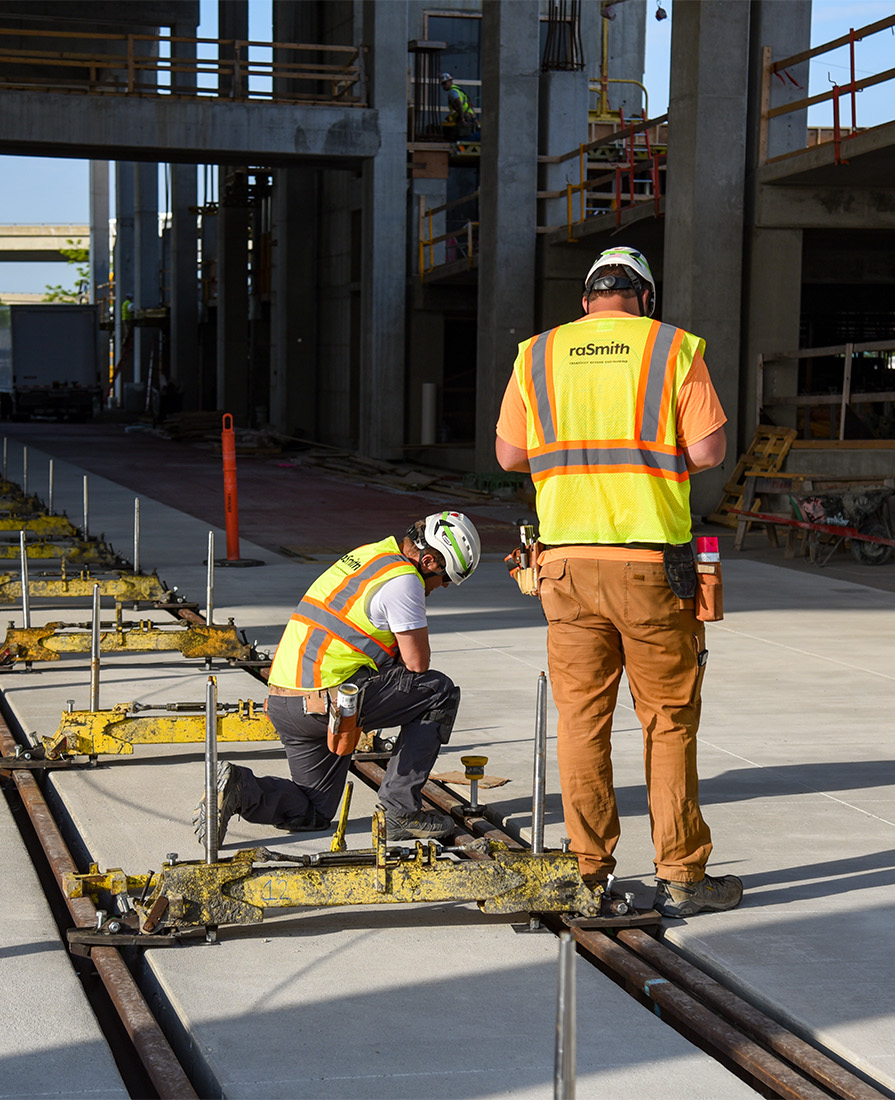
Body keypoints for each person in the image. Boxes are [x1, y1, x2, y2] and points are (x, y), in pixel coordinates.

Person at [493, 246, 742, 918]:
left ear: (586, 301)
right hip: (650, 565)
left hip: (566, 568)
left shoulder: (536, 355)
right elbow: (710, 451)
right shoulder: (673, 350)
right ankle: (682, 875)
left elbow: (510, 454)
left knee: (581, 723)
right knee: (667, 724)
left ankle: (586, 873)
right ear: (645, 298)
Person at [196, 511, 483, 845]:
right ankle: (400, 811)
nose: (444, 586)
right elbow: (418, 664)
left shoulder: (369, 555)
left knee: (314, 810)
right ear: (430, 560)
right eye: (446, 578)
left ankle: (240, 788)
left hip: (285, 704)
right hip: (329, 701)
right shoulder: (405, 580)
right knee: (438, 691)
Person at [440, 72, 476, 138]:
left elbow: (459, 104)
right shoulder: (459, 90)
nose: (443, 86)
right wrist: (474, 117)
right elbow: (469, 103)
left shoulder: (452, 92)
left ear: (450, 82)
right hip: (469, 116)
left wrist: (462, 118)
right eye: (442, 84)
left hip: (464, 117)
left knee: (462, 137)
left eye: (445, 83)